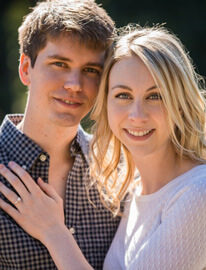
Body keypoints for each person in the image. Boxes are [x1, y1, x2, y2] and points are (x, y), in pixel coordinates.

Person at [0, 25, 206, 269]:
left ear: (180, 104)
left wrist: (54, 232)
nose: (137, 115)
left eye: (155, 96)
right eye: (123, 95)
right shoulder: (128, 193)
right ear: (105, 104)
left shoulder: (205, 192)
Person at [0, 0, 120, 269]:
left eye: (90, 70)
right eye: (60, 64)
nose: (75, 85)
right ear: (25, 68)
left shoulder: (118, 175)